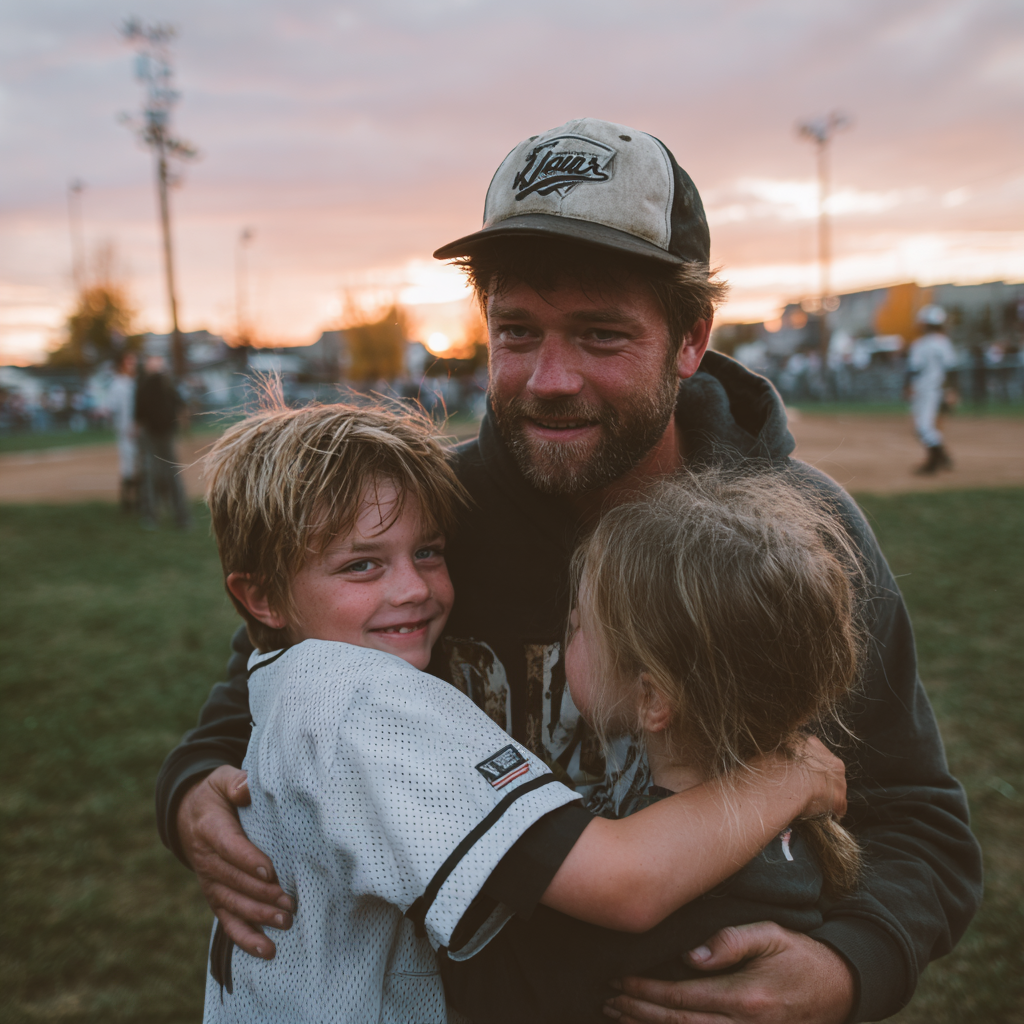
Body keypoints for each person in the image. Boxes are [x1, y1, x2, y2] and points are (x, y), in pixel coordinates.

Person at [158, 118, 982, 1024]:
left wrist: (846, 969)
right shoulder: (423, 525)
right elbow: (266, 688)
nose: (549, 378)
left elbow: (918, 816)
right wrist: (196, 790)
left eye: (599, 335)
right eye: (517, 332)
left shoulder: (798, 538)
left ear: (690, 338)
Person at [197, 402, 843, 1023]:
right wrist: (792, 778)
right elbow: (623, 882)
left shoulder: (302, 684)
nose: (413, 588)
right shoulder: (366, 702)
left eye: (429, 551)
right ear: (260, 598)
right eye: (362, 565)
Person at [441, 469, 865, 1024]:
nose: (568, 630)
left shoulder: (621, 907)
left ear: (653, 699)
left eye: (578, 627)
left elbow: (492, 994)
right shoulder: (795, 841)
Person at [135, 354, 192, 530]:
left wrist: (182, 419)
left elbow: (180, 404)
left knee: (168, 473)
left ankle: (181, 517)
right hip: (152, 435)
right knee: (155, 474)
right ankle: (154, 515)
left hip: (164, 434)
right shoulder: (145, 384)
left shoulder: (165, 383)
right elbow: (139, 413)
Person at [905, 304, 959, 475]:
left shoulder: (920, 344)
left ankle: (936, 462)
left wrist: (907, 387)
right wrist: (952, 390)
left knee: (924, 428)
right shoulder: (943, 342)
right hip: (938, 390)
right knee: (928, 427)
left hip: (926, 390)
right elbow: (952, 368)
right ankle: (941, 459)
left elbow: (914, 369)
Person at [108, 349, 139, 512]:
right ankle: (127, 504)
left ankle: (139, 500)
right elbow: (113, 408)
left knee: (140, 466)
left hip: (139, 431)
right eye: (129, 361)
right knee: (128, 467)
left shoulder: (136, 382)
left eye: (133, 361)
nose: (132, 364)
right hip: (125, 431)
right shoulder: (118, 384)